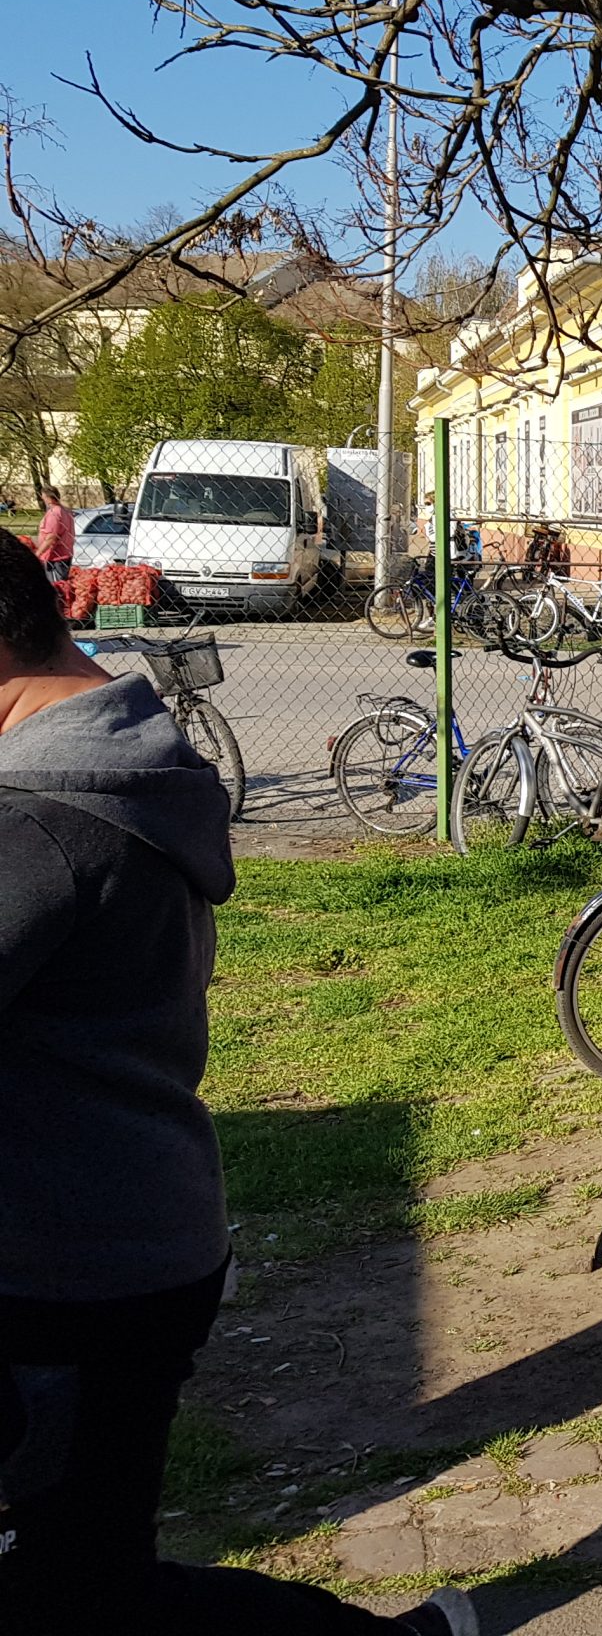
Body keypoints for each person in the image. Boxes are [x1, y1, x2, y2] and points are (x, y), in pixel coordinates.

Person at [0, 534, 472, 1636]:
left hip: (75, 1273)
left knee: (75, 1596)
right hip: (130, 1233)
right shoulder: (120, 757)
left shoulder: (35, 818)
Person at [31, 487, 72, 585]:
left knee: (55, 586)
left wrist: (37, 554)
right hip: (65, 553)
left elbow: (51, 537)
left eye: (43, 496)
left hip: (54, 557)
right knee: (62, 584)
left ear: (46, 497)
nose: (42, 498)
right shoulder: (65, 511)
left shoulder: (54, 513)